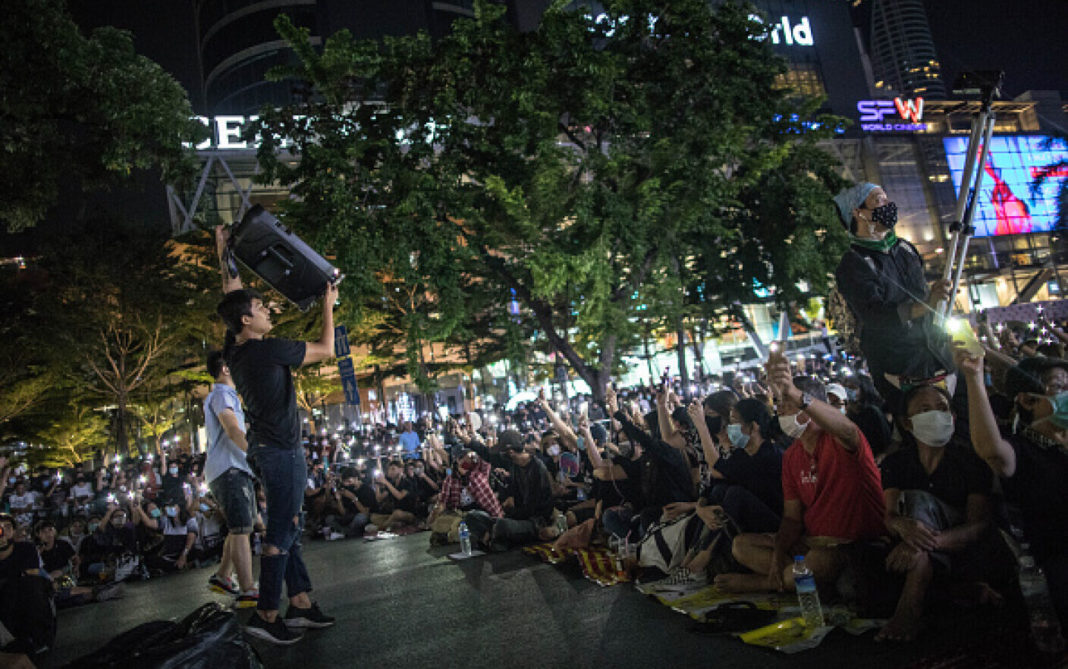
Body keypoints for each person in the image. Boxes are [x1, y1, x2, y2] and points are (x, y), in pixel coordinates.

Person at [215, 224, 337, 644]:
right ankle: (267, 613)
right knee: (282, 532)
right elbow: (326, 349)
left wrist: (223, 252)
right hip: (282, 452)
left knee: (289, 523)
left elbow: (232, 297)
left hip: (269, 450)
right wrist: (328, 303)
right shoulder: (268, 350)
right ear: (248, 320)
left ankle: (299, 602)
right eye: (263, 307)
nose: (270, 310)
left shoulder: (236, 350)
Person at [716, 351, 886, 595]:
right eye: (780, 404)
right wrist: (778, 553)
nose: (781, 410)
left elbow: (847, 428)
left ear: (811, 407)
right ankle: (797, 581)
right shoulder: (792, 456)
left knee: (819, 562)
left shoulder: (842, 440)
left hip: (851, 546)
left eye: (787, 404)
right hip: (811, 543)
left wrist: (794, 391)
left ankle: (769, 583)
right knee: (741, 546)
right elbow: (792, 519)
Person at [876, 384, 1005, 641]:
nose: (936, 414)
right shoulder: (896, 463)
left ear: (953, 418)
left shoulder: (970, 460)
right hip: (916, 546)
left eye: (942, 408)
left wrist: (925, 544)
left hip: (959, 548)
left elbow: (978, 525)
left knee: (917, 501)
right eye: (924, 410)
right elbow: (889, 516)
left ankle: (908, 612)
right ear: (908, 423)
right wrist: (901, 525)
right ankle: (954, 592)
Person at [956, 348, 1068, 622]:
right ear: (1028, 401)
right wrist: (974, 377)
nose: (1066, 394)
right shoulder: (1020, 449)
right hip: (1058, 559)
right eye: (1058, 388)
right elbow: (991, 449)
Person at [832, 182, 955, 403]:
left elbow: (923, 293)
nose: (888, 205)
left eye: (887, 199)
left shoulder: (906, 248)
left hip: (937, 357)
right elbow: (875, 316)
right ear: (858, 212)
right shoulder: (853, 264)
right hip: (899, 367)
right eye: (879, 200)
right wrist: (926, 303)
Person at [202, 349, 259, 609]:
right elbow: (232, 428)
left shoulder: (223, 394)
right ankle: (248, 590)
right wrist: (254, 453)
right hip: (229, 469)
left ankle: (224, 575)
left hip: (229, 468)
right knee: (241, 531)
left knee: (240, 526)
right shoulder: (222, 394)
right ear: (225, 369)